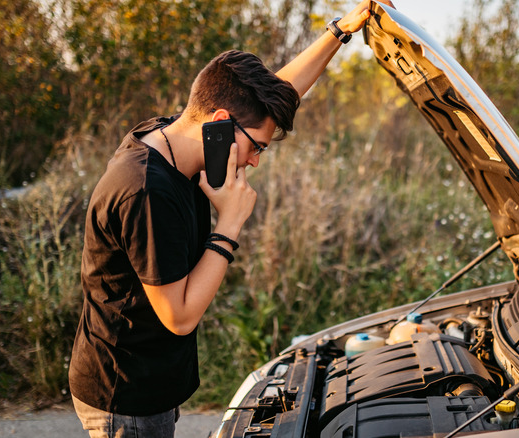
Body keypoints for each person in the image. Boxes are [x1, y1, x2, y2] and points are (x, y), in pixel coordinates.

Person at [68, 1, 393, 436]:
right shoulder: (147, 191)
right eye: (257, 146)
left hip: (154, 381)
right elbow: (180, 317)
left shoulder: (179, 137)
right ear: (220, 122)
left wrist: (340, 31)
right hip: (125, 396)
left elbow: (277, 96)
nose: (255, 161)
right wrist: (230, 224)